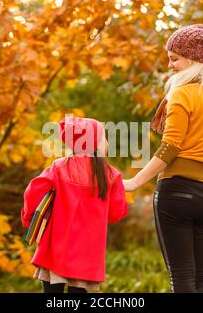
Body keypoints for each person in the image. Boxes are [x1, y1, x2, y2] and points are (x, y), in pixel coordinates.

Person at [123, 24, 203, 293]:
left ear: (193, 58)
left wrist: (135, 182)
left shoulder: (182, 93)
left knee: (183, 281)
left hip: (177, 193)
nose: (169, 65)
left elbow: (170, 147)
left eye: (174, 58)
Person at [21, 116, 128, 293]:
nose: (107, 142)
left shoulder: (59, 167)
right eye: (104, 137)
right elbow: (116, 214)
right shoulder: (111, 175)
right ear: (94, 143)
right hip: (86, 258)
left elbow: (33, 192)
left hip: (55, 251)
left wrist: (28, 218)